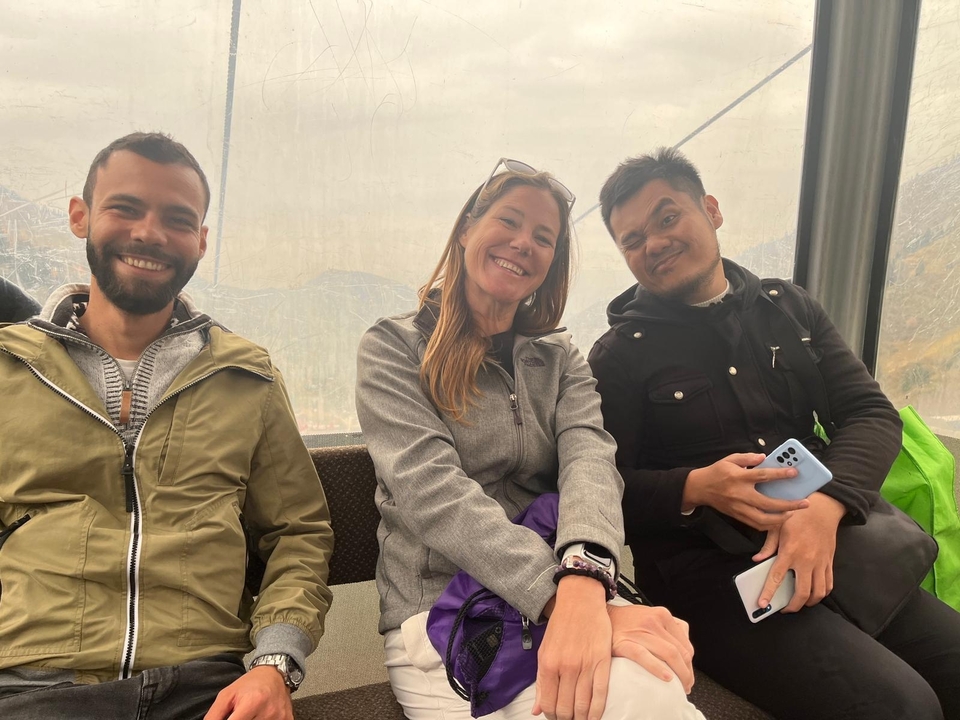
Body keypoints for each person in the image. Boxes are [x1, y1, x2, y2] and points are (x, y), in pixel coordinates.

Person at [588, 147, 960, 720]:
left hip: (832, 543)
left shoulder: (787, 309)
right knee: (901, 707)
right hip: (715, 579)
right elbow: (597, 489)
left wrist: (828, 506)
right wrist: (694, 488)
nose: (653, 244)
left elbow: (868, 412)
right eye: (631, 240)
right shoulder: (620, 357)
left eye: (667, 218)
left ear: (711, 210)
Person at [0, 132, 334, 720]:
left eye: (178, 219)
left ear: (201, 241)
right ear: (80, 217)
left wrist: (273, 664)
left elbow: (298, 533)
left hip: (210, 687)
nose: (150, 233)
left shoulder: (245, 376)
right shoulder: (9, 369)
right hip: (36, 687)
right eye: (125, 208)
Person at [356, 158, 704, 720]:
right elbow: (431, 491)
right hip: (443, 612)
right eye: (510, 222)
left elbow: (591, 462)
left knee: (652, 688)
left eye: (544, 238)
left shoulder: (560, 359)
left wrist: (586, 577)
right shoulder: (395, 348)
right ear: (467, 229)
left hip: (569, 592)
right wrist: (558, 594)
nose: (524, 244)